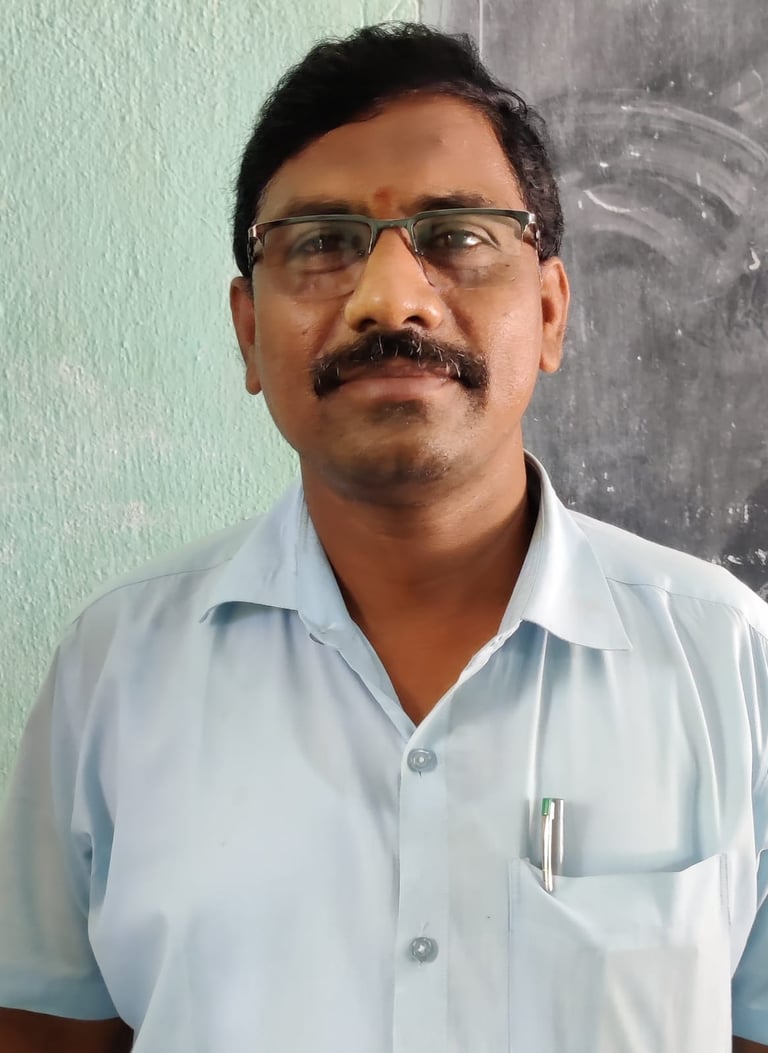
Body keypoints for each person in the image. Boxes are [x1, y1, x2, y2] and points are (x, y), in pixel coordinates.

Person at [0, 21, 766, 1053]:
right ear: (248, 332)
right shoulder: (117, 669)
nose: (390, 299)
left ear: (549, 313)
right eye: (321, 244)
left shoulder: (728, 660)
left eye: (458, 236)